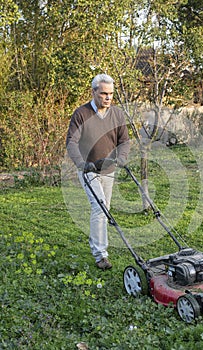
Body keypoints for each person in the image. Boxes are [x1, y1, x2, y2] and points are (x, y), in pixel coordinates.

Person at [66, 74, 130, 270]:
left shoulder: (117, 114)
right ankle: (100, 255)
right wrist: (81, 164)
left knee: (105, 209)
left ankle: (99, 245)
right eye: (103, 93)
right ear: (93, 92)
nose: (108, 98)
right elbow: (71, 142)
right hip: (89, 169)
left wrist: (121, 158)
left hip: (108, 168)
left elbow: (124, 141)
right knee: (99, 208)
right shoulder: (81, 114)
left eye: (110, 94)